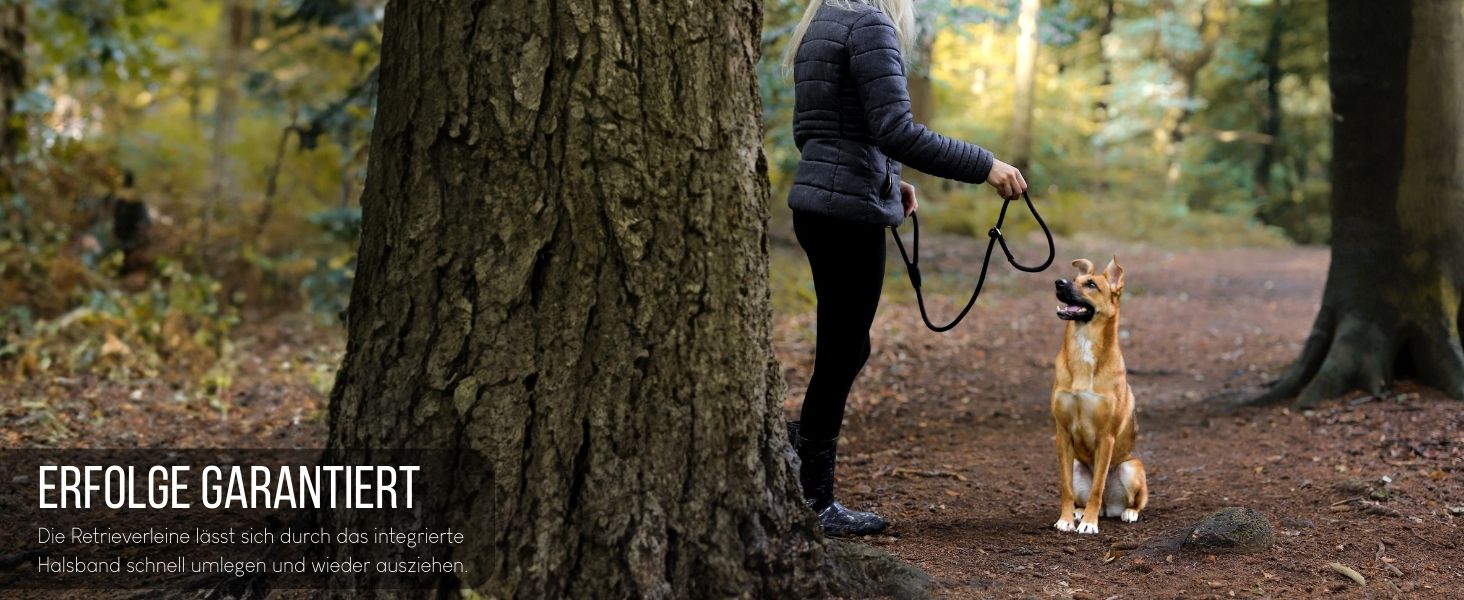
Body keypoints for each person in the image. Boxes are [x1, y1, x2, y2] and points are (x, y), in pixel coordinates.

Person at [782, 0, 1027, 536]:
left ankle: (794, 456)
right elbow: (895, 129)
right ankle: (814, 499)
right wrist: (985, 164)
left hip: (820, 207)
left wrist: (889, 179)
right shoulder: (870, 22)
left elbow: (825, 128)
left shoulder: (822, 19)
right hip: (844, 215)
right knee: (843, 349)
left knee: (846, 347)